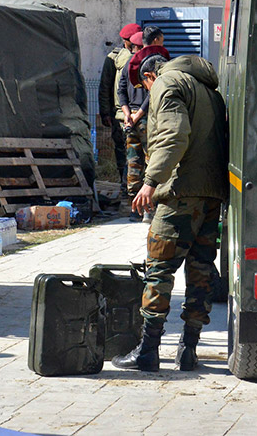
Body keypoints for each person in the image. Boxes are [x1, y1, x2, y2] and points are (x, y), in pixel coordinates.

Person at [111, 51, 227, 372]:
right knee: (201, 269)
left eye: (144, 88)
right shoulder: (209, 92)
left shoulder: (166, 83)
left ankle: (148, 352)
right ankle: (188, 350)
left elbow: (174, 135)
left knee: (159, 267)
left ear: (149, 77)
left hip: (180, 193)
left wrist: (150, 181)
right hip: (211, 194)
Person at [99, 24, 141, 194]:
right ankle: (127, 189)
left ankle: (132, 189)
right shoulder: (114, 58)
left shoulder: (144, 56)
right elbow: (105, 87)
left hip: (134, 113)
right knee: (124, 152)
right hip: (121, 115)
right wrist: (105, 113)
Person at [117, 30, 152, 221]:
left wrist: (127, 114)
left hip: (130, 120)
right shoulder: (148, 65)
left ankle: (134, 208)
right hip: (145, 119)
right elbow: (152, 94)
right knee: (149, 160)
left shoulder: (126, 65)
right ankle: (147, 208)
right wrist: (138, 115)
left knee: (132, 162)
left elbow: (120, 91)